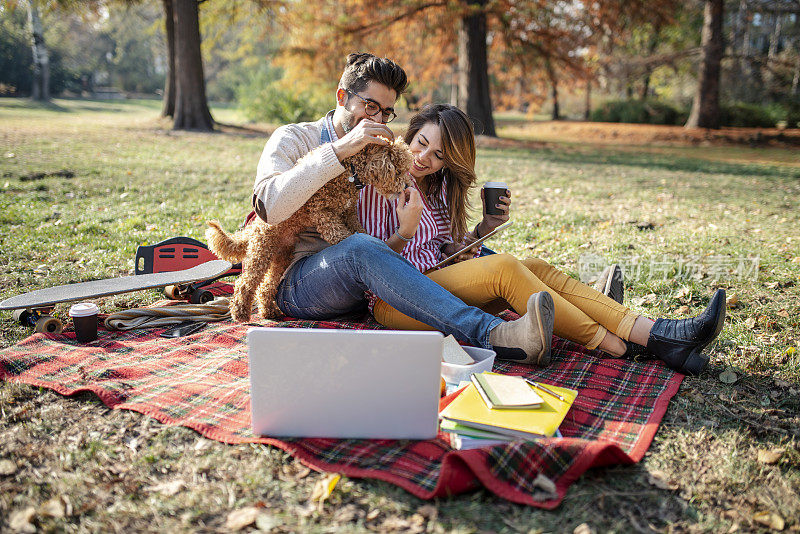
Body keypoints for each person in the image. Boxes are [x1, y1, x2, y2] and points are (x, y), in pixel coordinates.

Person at [358, 104, 725, 375]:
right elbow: (370, 263)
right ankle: (621, 344)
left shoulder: (435, 189)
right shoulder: (379, 182)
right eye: (421, 143)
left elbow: (447, 251)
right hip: (396, 302)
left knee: (533, 267)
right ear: (409, 134)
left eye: (439, 155)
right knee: (504, 267)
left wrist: (482, 229)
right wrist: (404, 233)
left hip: (437, 288)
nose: (424, 158)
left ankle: (657, 333)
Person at [251, 52, 555, 366]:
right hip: (298, 282)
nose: (377, 121)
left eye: (386, 113)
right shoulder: (294, 138)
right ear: (342, 96)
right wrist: (340, 150)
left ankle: (578, 317)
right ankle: (495, 334)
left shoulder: (379, 152)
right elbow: (269, 207)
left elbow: (409, 236)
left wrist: (470, 235)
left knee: (499, 264)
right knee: (359, 248)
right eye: (370, 107)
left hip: (369, 280)